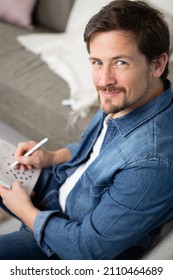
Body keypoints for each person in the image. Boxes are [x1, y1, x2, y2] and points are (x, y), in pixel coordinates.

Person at [0, 0, 173, 260]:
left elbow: (87, 249)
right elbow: (97, 151)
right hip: (61, 187)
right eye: (97, 62)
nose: (104, 80)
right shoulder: (129, 96)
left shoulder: (153, 161)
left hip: (65, 240)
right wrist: (51, 157)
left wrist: (26, 211)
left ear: (157, 65)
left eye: (121, 63)